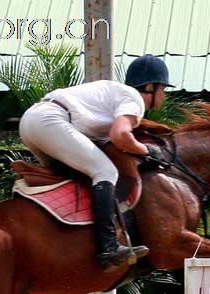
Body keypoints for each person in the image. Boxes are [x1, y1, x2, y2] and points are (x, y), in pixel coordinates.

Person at [19, 54, 173, 270]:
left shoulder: (114, 96)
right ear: (150, 87)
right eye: (163, 89)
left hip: (31, 123)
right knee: (105, 172)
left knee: (77, 176)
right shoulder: (134, 99)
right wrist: (145, 149)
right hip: (50, 120)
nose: (164, 96)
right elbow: (120, 136)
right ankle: (108, 248)